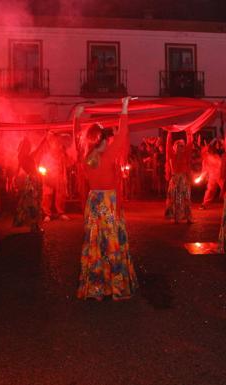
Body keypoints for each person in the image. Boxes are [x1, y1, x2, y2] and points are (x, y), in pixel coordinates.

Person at [77, 96, 138, 301]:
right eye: (105, 138)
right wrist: (124, 108)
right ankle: (116, 288)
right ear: (101, 141)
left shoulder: (86, 158)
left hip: (94, 203)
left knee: (96, 242)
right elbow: (122, 136)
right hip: (108, 204)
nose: (108, 140)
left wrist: (76, 119)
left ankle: (96, 288)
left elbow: (77, 140)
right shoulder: (107, 155)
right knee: (112, 242)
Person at [13, 136, 45, 233]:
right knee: (33, 203)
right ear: (25, 147)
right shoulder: (26, 156)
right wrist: (43, 140)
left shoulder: (21, 157)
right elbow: (37, 150)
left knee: (31, 203)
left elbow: (18, 169)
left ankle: (32, 224)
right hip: (32, 181)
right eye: (28, 146)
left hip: (31, 180)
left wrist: (15, 178)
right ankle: (34, 225)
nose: (30, 147)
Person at [164, 130, 194, 223]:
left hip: (184, 179)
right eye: (178, 146)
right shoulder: (171, 155)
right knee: (177, 198)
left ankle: (188, 218)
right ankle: (177, 218)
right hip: (175, 179)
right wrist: (169, 133)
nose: (181, 147)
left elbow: (190, 144)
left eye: (182, 146)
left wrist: (188, 133)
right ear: (174, 147)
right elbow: (168, 145)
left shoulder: (186, 155)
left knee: (187, 198)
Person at [40, 134, 69, 222]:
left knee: (60, 195)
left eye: (57, 143)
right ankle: (47, 214)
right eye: (54, 143)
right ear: (51, 144)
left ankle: (61, 213)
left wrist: (64, 177)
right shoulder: (45, 156)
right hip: (48, 177)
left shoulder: (61, 155)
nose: (56, 145)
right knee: (47, 196)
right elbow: (41, 167)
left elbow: (66, 165)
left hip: (59, 177)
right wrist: (45, 175)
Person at [198, 139, 223, 210]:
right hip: (212, 176)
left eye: (209, 149)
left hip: (220, 175)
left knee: (225, 189)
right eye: (207, 150)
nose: (208, 151)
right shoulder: (205, 160)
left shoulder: (216, 157)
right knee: (210, 190)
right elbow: (204, 170)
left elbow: (221, 165)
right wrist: (201, 178)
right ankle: (204, 204)